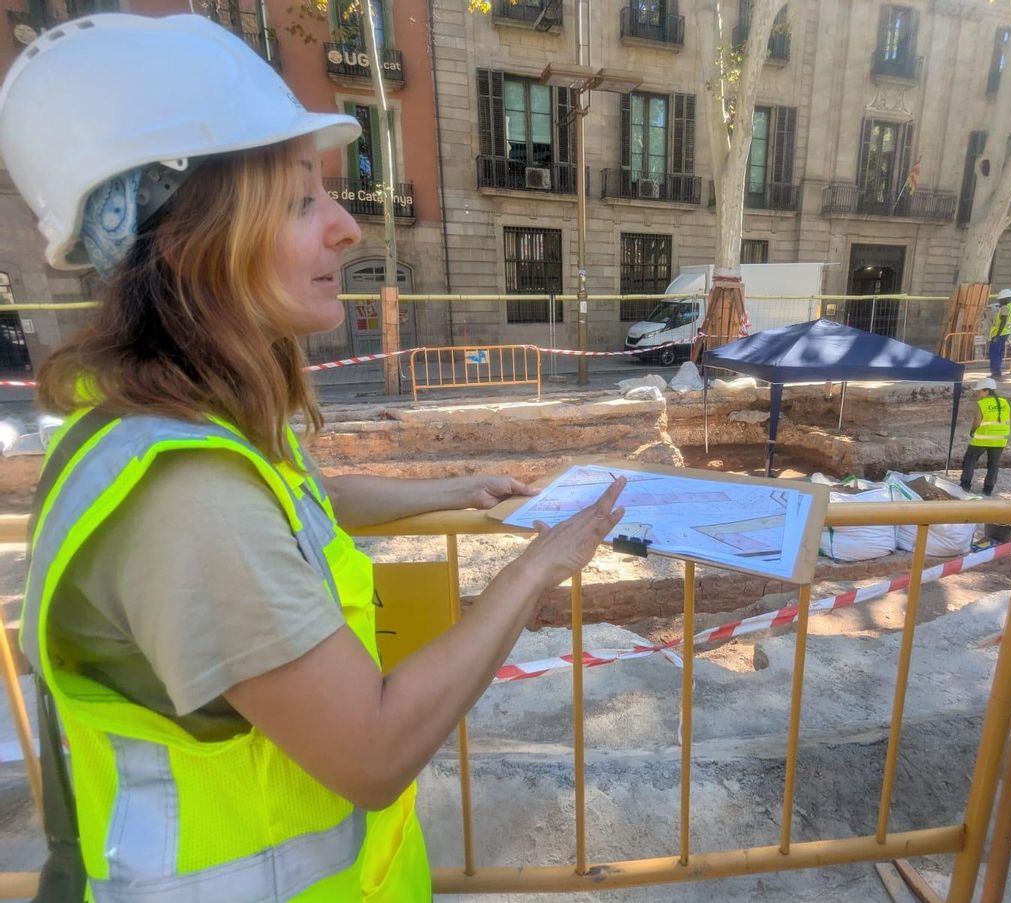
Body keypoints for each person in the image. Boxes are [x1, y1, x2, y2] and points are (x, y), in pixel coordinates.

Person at [0, 14, 626, 902]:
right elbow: (371, 752)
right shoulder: (186, 498)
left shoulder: (174, 421)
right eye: (300, 200)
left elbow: (292, 504)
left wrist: (451, 487)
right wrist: (538, 568)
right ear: (188, 240)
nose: (347, 229)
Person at [959, 377, 1011, 497]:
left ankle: (965, 485)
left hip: (982, 438)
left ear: (987, 390)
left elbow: (977, 422)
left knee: (970, 460)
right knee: (993, 464)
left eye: (979, 391)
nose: (977, 394)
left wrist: (972, 432)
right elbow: (1008, 418)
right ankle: (988, 489)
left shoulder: (982, 403)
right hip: (1000, 439)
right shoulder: (1005, 402)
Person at [987, 288, 1011, 380]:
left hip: (999, 334)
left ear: (1006, 299)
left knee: (994, 354)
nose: (999, 301)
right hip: (1005, 333)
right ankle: (996, 373)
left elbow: (1003, 322)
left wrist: (997, 335)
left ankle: (996, 373)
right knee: (998, 354)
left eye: (1000, 299)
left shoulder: (1004, 308)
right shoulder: (1010, 306)